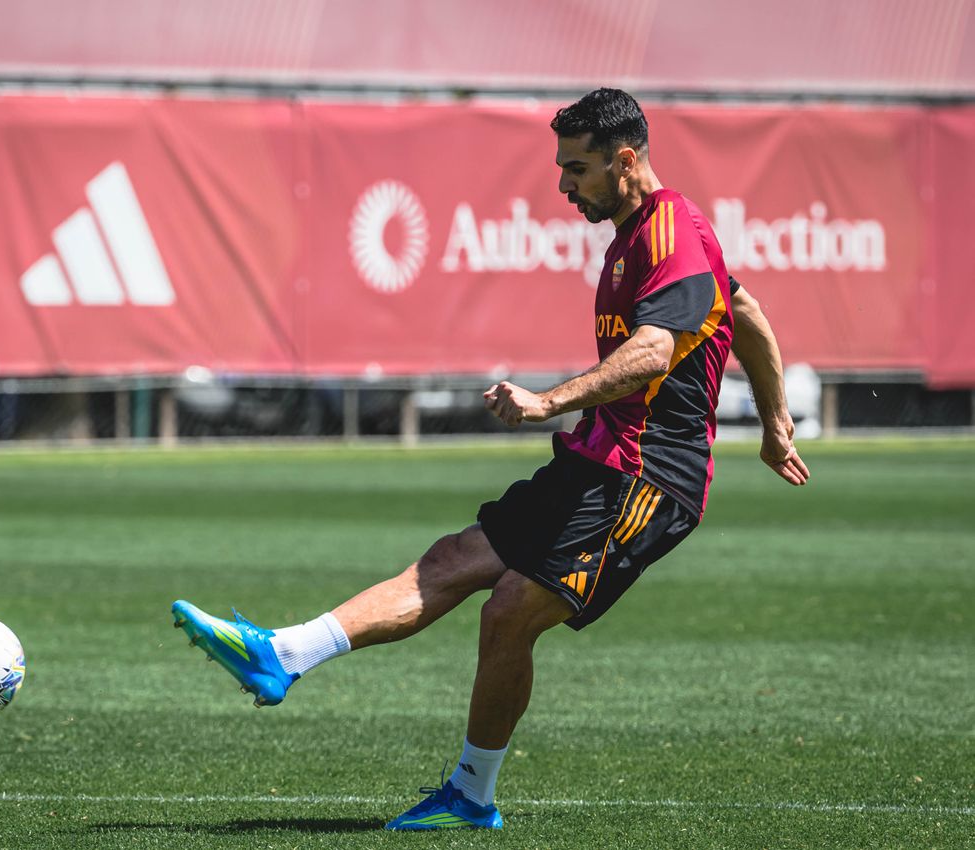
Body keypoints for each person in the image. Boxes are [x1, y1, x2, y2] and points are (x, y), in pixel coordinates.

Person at [171, 87, 810, 831]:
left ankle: (470, 794)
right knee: (451, 559)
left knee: (509, 612)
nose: (563, 185)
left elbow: (652, 352)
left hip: (645, 479)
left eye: (576, 168)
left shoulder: (668, 230)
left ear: (624, 159)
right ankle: (281, 655)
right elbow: (747, 313)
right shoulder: (642, 237)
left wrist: (547, 401)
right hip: (598, 461)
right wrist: (774, 422)